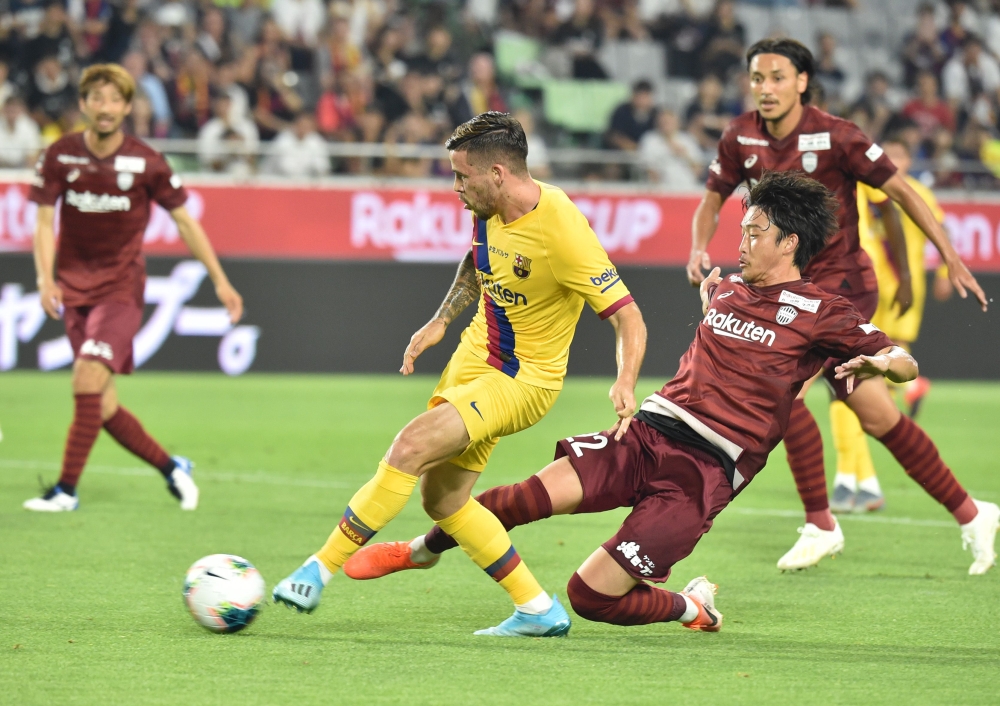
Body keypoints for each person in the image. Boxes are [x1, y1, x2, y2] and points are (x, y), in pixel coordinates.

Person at [347, 172, 998, 627]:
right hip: (649, 432)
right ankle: (422, 551)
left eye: (755, 231)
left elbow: (903, 362)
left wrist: (884, 360)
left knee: (588, 596)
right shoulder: (732, 289)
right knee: (519, 500)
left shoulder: (824, 312)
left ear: (788, 244)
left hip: (704, 472)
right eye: (743, 228)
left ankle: (692, 607)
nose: (741, 239)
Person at [271, 112, 646, 636]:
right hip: (472, 359)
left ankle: (318, 568)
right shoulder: (487, 206)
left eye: (461, 176)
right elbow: (477, 260)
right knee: (442, 499)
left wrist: (624, 380)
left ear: (497, 172)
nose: (455, 188)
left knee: (409, 446)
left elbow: (628, 315)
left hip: (522, 380)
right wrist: (441, 320)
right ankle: (537, 608)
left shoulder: (562, 230)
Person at [686, 39, 994, 574]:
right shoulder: (740, 136)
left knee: (783, 391)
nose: (766, 88)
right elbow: (713, 197)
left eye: (777, 77)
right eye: (758, 78)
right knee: (877, 417)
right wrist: (697, 245)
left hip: (842, 288)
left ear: (802, 81)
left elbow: (900, 191)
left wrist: (950, 256)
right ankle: (973, 514)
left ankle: (820, 523)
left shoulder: (837, 135)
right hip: (786, 289)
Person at [23, 64, 244, 513]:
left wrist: (221, 280)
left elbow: (185, 221)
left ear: (127, 107)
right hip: (72, 292)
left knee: (85, 377)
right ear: (84, 104)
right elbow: (44, 221)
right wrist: (45, 277)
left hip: (120, 291)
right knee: (100, 405)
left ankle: (66, 491)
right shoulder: (60, 155)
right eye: (96, 99)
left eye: (114, 100)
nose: (105, 109)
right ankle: (171, 468)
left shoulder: (147, 161)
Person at [829, 137, 951, 513]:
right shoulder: (865, 186)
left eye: (899, 154)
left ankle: (853, 477)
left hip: (880, 288)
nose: (892, 160)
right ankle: (853, 477)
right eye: (889, 154)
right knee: (860, 375)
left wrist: (942, 270)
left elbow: (935, 228)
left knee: (848, 378)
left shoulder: (912, 192)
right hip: (878, 284)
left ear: (909, 157)